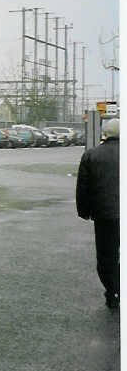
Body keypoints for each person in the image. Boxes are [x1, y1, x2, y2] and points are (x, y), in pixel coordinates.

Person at [76, 118, 120, 309]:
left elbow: (83, 188)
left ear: (105, 134)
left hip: (105, 215)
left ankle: (113, 291)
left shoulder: (91, 155)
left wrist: (84, 211)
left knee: (106, 256)